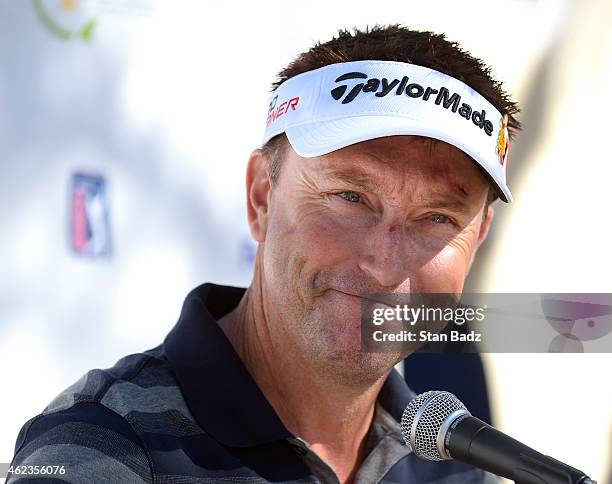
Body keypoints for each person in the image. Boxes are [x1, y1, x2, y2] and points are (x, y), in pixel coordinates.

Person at [8, 25, 519, 483]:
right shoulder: (102, 447)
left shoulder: (451, 466)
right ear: (261, 197)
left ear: (477, 238)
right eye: (349, 197)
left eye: (438, 219)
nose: (385, 265)